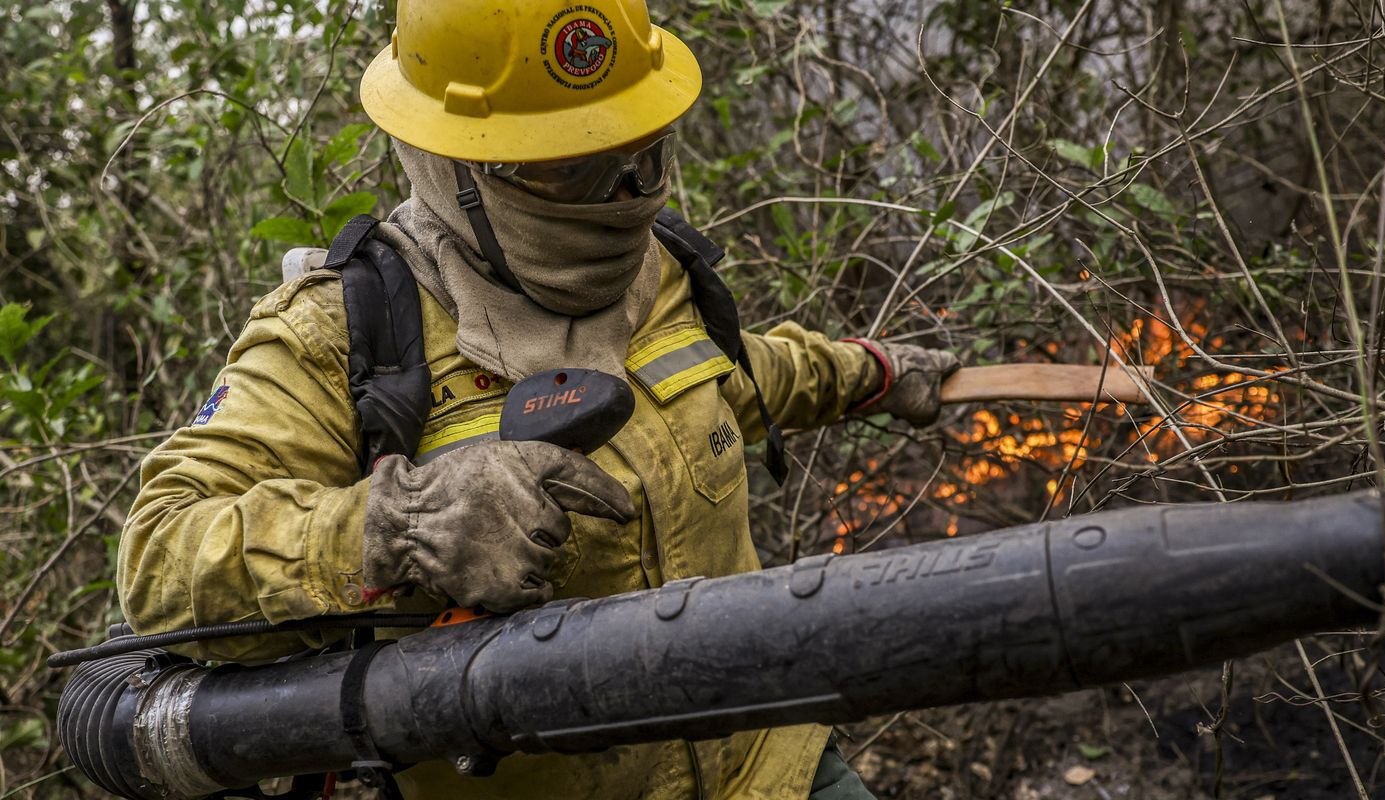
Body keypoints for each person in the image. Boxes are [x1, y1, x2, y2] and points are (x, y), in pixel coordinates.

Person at [116, 1, 958, 797]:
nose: (622, 198)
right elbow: (161, 555)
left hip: (772, 760)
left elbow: (737, 375)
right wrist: (399, 525)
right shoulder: (337, 333)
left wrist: (878, 372)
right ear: (459, 169)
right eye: (570, 170)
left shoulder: (657, 273)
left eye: (641, 157)